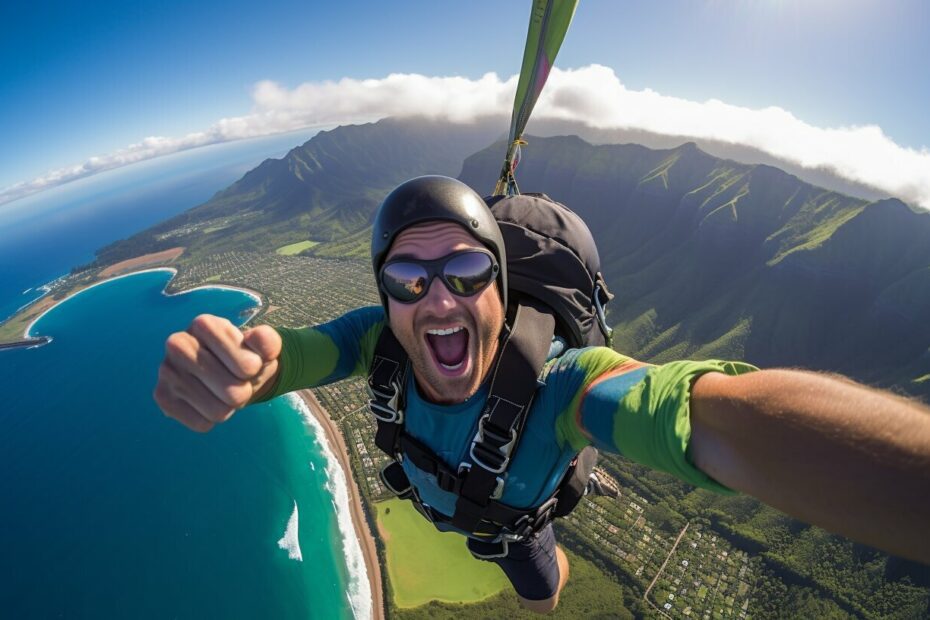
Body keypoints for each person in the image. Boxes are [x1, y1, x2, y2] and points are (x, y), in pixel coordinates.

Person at [154, 175, 930, 613]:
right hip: (460, 498)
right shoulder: (376, 340)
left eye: (466, 272)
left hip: (514, 521)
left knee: (544, 589)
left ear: (499, 285)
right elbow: (298, 355)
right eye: (406, 278)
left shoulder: (564, 388)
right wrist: (248, 373)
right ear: (385, 295)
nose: (437, 301)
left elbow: (707, 419)